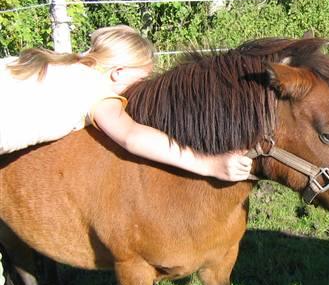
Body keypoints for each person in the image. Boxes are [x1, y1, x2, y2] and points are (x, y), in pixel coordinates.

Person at [0, 25, 252, 181]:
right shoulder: (96, 91)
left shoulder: (59, 65)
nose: (138, 89)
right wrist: (209, 164)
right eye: (140, 79)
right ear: (117, 72)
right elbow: (131, 136)